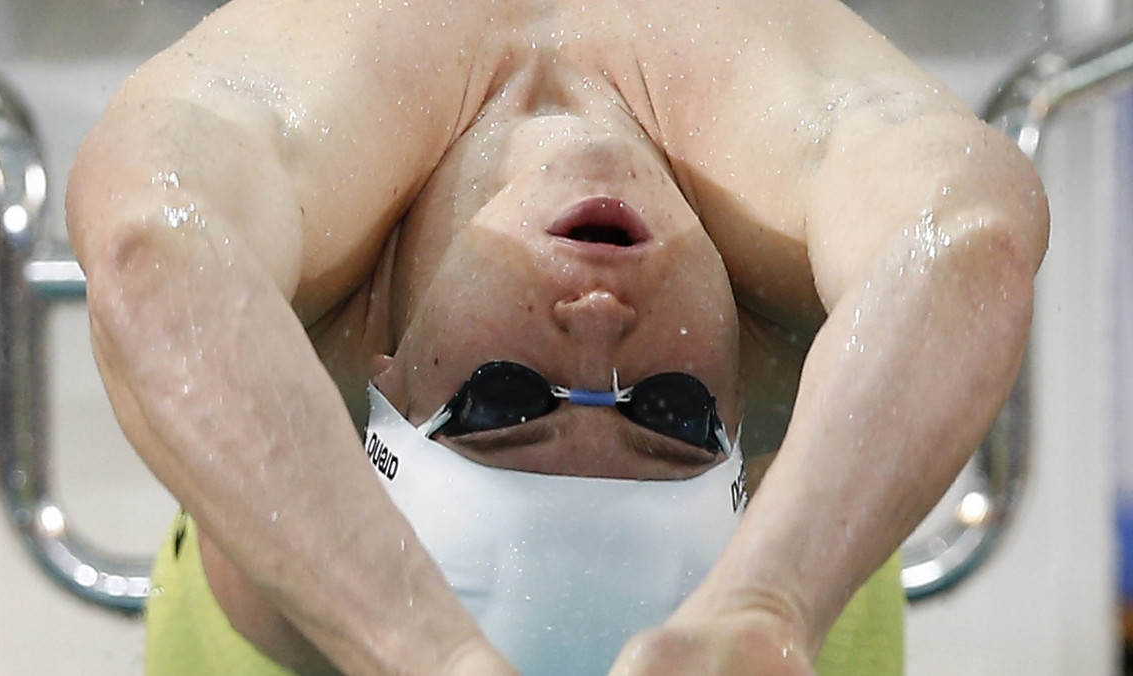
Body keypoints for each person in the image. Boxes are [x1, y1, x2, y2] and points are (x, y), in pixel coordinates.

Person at [65, 0, 1049, 673]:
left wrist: (424, 651)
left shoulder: (322, 261)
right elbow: (973, 243)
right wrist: (772, 603)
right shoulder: (781, 282)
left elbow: (152, 254)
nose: (597, 325)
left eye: (504, 398)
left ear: (383, 383)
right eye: (673, 409)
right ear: (752, 419)